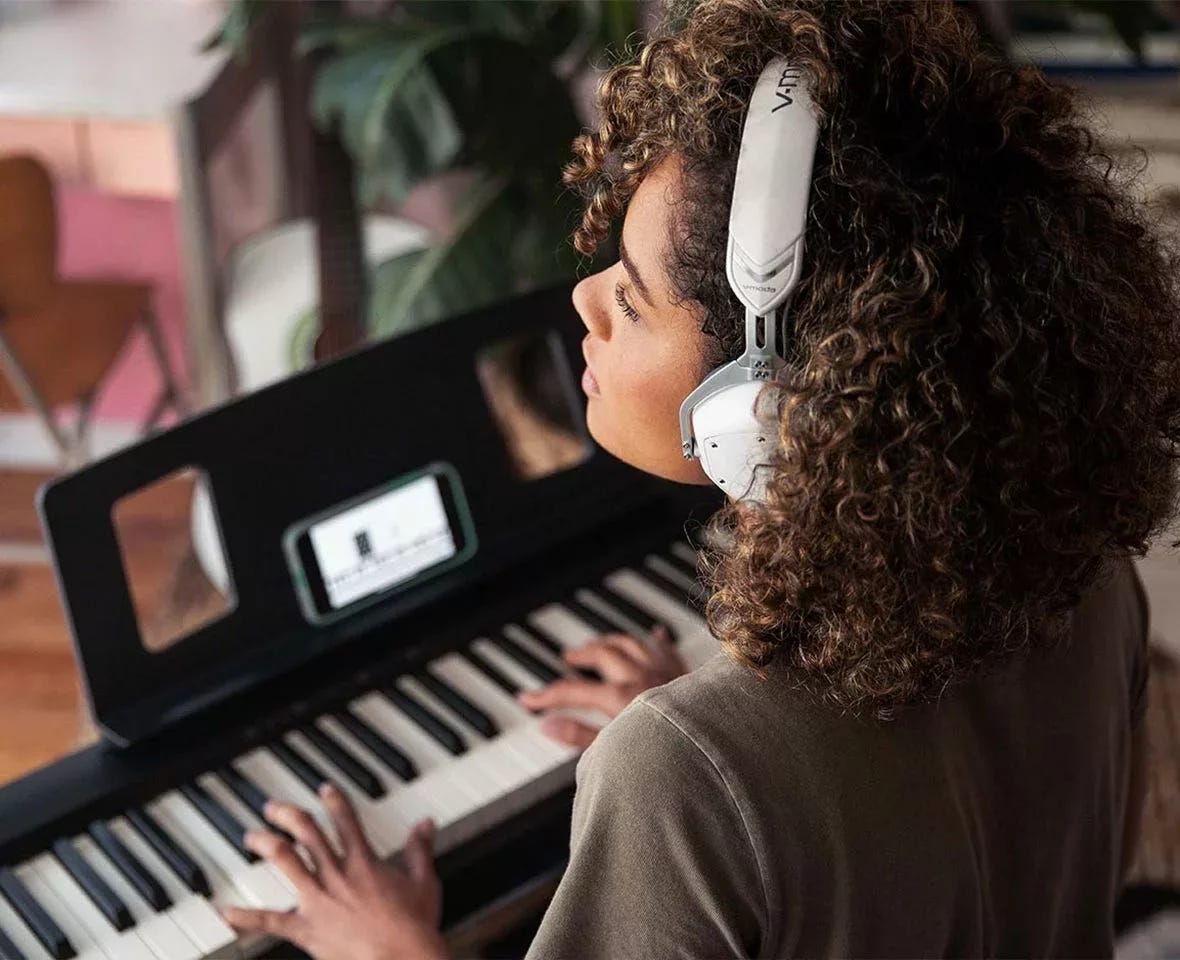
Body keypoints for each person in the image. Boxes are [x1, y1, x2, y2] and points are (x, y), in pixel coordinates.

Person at [225, 0, 1180, 956]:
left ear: (764, 411)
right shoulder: (1090, 583)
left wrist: (389, 944)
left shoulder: (675, 776)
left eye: (633, 302)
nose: (584, 299)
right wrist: (730, 761)